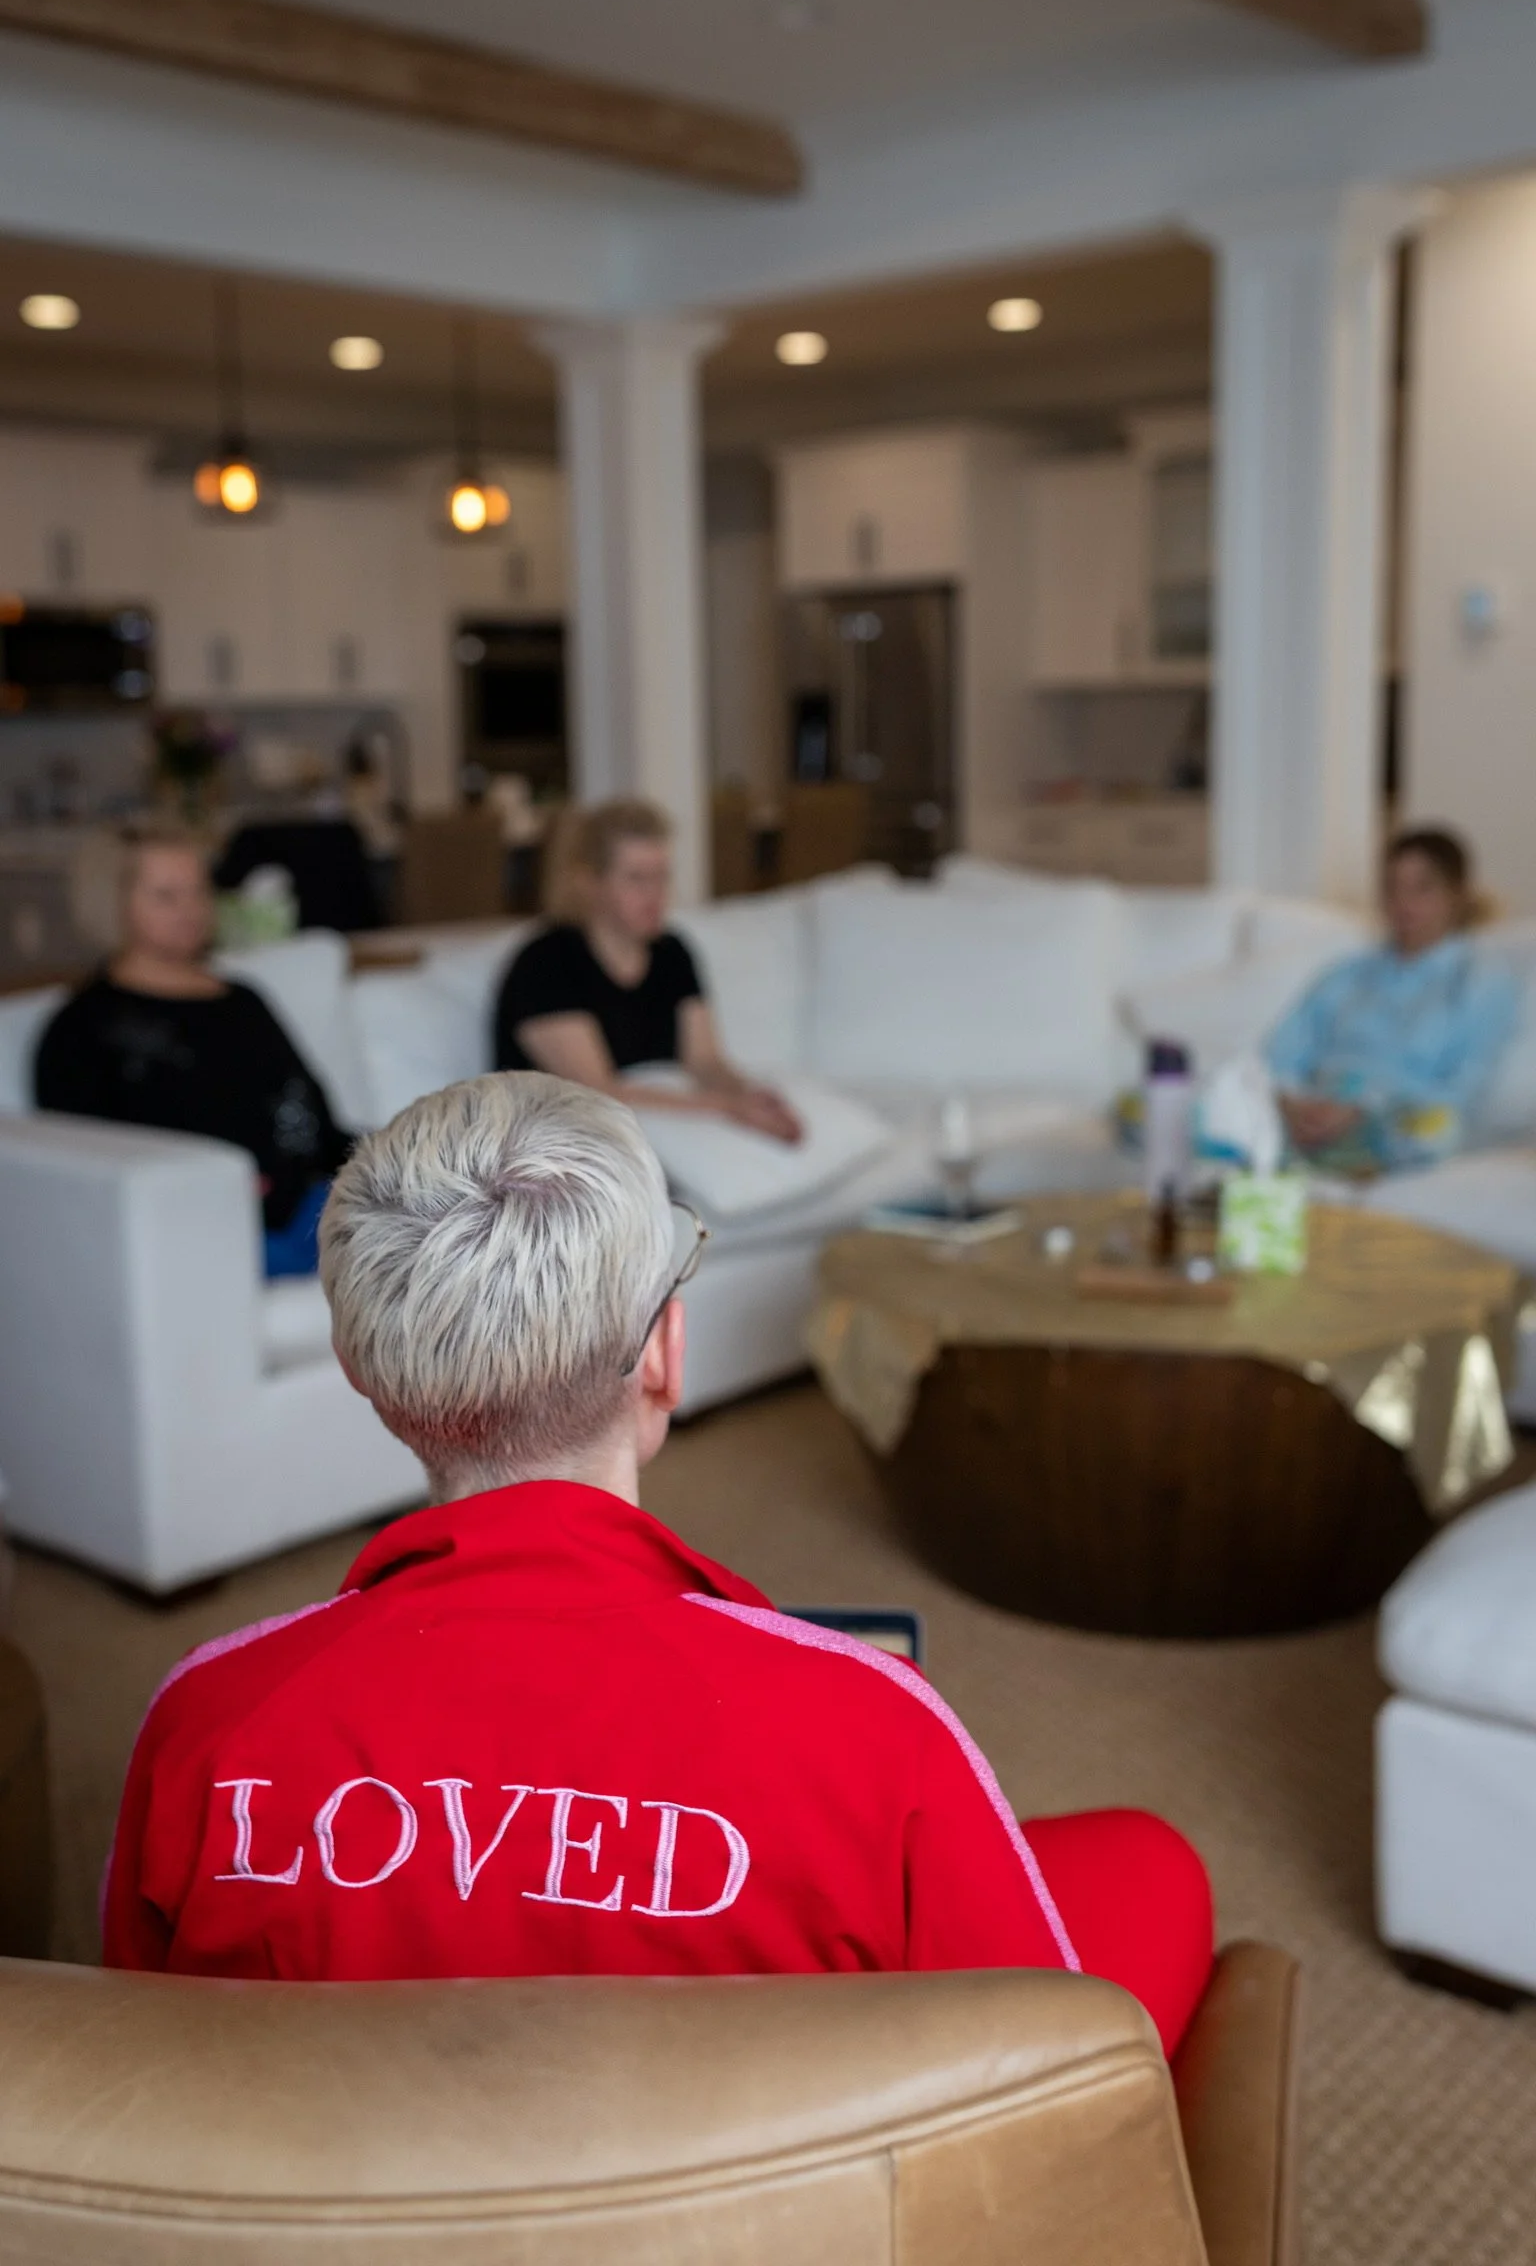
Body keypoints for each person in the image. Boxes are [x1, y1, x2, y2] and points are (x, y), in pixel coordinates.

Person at [102, 1072, 1213, 2056]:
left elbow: (150, 2086)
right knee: (1151, 1867)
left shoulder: (203, 1714)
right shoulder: (878, 1722)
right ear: (668, 1357)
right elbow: (1029, 2081)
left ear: (361, 1370)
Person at [33, 828, 351, 1278]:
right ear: (113, 904)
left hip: (318, 1205)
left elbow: (318, 1118)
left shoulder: (242, 1000)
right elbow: (88, 1173)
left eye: (199, 891)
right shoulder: (82, 1029)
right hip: (205, 1229)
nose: (191, 909)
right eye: (166, 896)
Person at [494, 798, 803, 1143]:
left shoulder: (672, 952)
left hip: (655, 1134)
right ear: (590, 882)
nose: (655, 894)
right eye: (637, 878)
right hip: (558, 1149)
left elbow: (704, 1061)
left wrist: (748, 1095)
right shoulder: (544, 963)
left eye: (662, 876)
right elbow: (595, 1092)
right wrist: (727, 1108)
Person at [1267, 826, 1518, 1173]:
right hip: (1313, 1114)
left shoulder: (1481, 981)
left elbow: (1463, 1092)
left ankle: (1330, 1179)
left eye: (1421, 889)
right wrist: (1292, 1106)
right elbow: (1281, 1058)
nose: (1403, 904)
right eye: (1392, 889)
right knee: (1213, 1107)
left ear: (1457, 894)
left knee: (1436, 1130)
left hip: (1397, 1122)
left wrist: (1363, 1109)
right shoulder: (1347, 974)